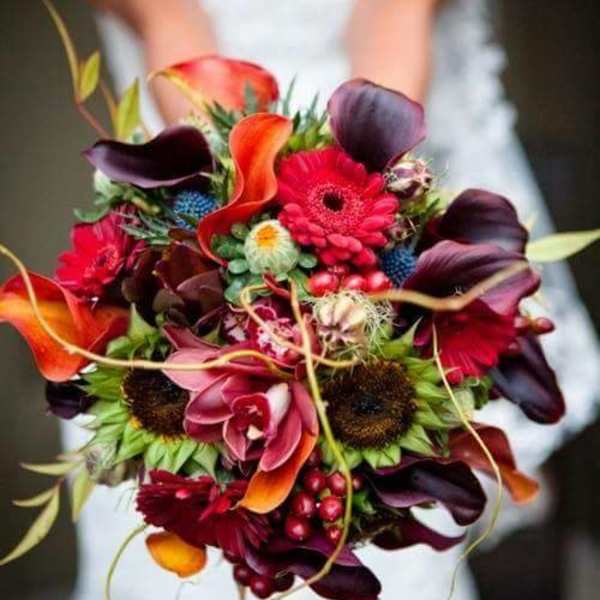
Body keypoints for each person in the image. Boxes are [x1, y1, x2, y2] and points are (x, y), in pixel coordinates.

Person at [62, 1, 600, 598]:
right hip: (193, 189)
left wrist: (362, 238)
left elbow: (395, 18)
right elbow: (171, 24)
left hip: (371, 185)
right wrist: (237, 227)